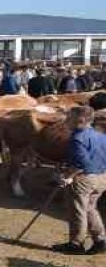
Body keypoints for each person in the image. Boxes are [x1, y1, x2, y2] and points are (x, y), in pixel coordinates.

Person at [52, 106, 106, 255]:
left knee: (78, 211)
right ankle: (100, 240)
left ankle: (76, 244)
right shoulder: (101, 136)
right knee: (90, 208)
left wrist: (68, 177)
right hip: (102, 177)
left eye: (69, 117)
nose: (66, 120)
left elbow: (81, 164)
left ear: (80, 120)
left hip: (84, 179)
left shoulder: (77, 138)